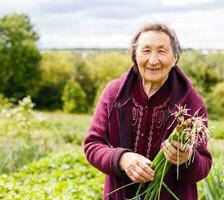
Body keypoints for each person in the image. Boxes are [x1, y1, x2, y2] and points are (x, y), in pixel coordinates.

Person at [83, 23, 212, 200]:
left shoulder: (190, 102)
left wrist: (187, 158)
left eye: (161, 51)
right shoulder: (114, 94)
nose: (153, 60)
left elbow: (204, 166)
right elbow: (92, 145)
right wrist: (122, 159)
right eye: (146, 50)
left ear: (175, 58)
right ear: (135, 56)